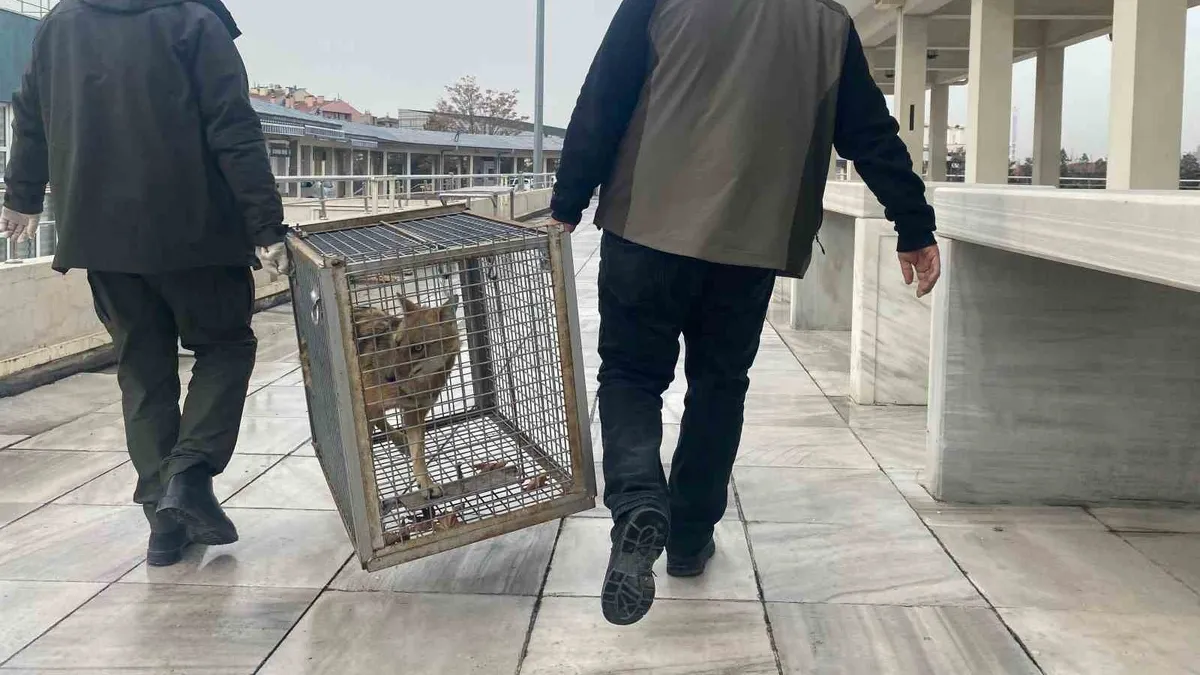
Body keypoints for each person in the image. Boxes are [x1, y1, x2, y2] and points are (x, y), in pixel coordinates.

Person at [550, 0, 942, 626]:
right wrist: (913, 224)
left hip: (644, 227)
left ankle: (638, 504)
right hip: (750, 245)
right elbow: (869, 134)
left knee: (629, 376)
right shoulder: (827, 22)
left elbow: (604, 97)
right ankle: (686, 540)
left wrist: (568, 199)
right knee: (719, 387)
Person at [1, 0, 289, 567]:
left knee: (143, 367)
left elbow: (30, 112)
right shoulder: (194, 23)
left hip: (101, 237)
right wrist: (265, 225)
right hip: (197, 232)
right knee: (226, 345)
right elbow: (233, 127)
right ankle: (187, 476)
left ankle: (163, 524)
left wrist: (23, 196)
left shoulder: (61, 23)